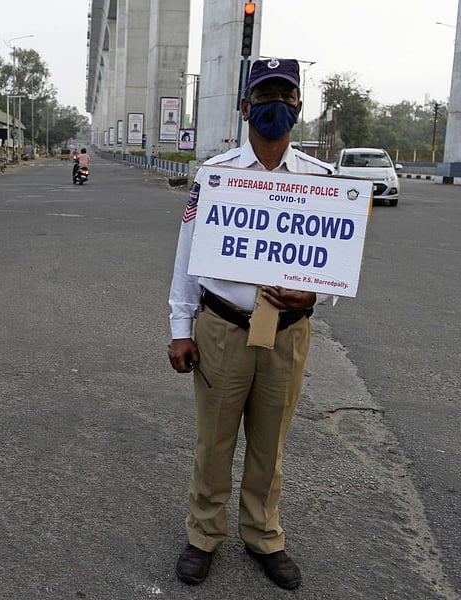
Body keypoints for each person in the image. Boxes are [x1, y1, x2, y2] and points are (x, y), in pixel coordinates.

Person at [167, 58, 334, 591]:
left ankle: (264, 535)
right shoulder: (215, 177)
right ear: (245, 107)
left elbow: (335, 265)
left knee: (270, 443)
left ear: (300, 107)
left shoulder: (323, 183)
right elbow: (187, 254)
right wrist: (180, 327)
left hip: (288, 333)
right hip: (221, 329)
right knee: (214, 441)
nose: (275, 107)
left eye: (286, 97)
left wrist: (315, 292)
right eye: (265, 97)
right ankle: (204, 534)